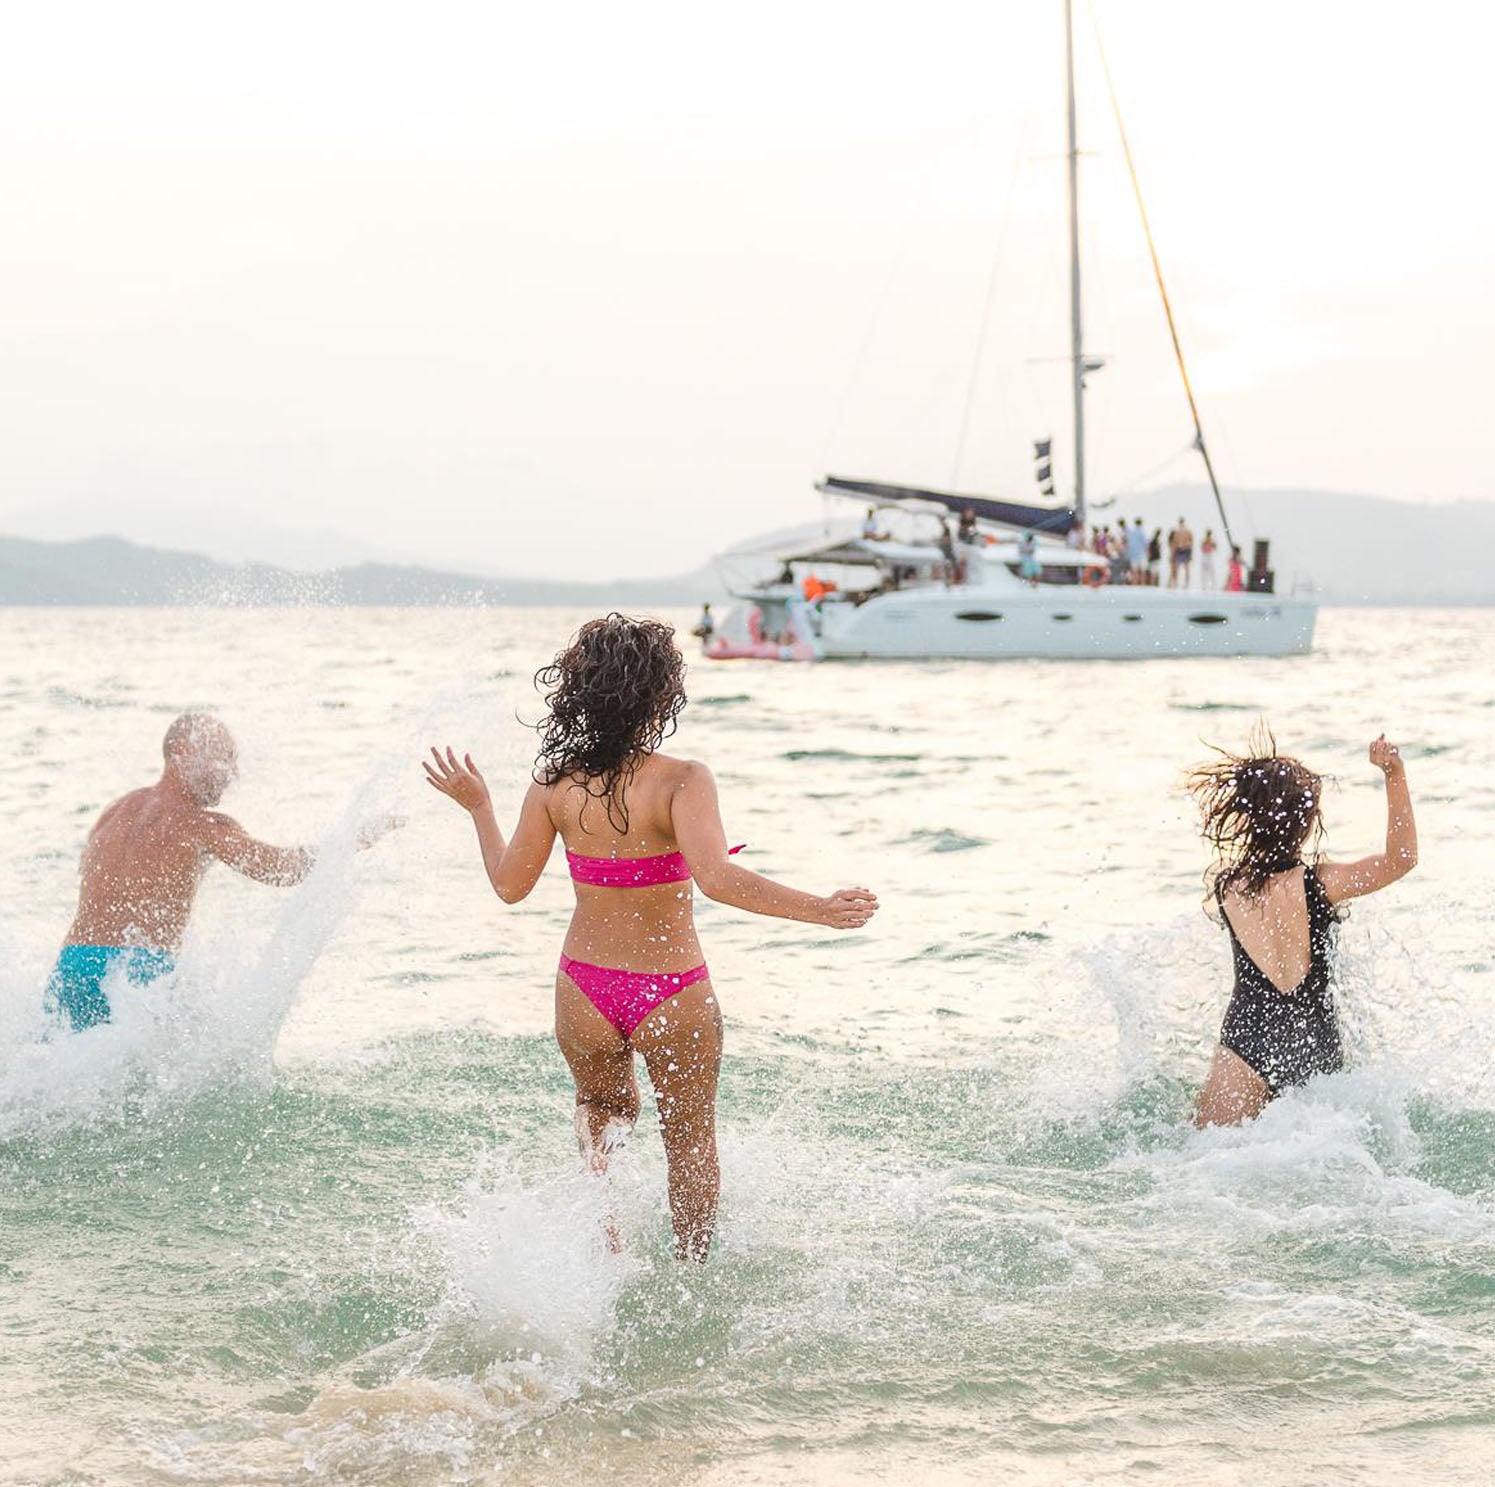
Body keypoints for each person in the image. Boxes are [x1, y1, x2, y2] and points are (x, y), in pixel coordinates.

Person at [423, 615, 877, 1261]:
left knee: (600, 1121)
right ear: (660, 696)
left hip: (582, 987)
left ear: (578, 691)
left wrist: (478, 807)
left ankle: (602, 1257)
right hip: (673, 992)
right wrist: (821, 910)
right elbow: (717, 878)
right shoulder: (682, 779)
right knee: (688, 1138)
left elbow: (507, 886)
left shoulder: (552, 785)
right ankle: (690, 1273)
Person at [1189, 732, 1417, 1127]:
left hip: (1244, 1046)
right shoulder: (1323, 883)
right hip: (1312, 1046)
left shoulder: (1228, 888)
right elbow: (1401, 859)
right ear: (1307, 824)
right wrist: (1393, 773)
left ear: (1248, 818)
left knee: (1200, 1160)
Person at [47, 714, 320, 1032]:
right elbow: (281, 870)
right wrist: (350, 841)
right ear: (180, 752)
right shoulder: (201, 825)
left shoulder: (114, 812)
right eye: (222, 758)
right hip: (141, 971)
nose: (231, 773)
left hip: (74, 965)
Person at [1127, 517, 1149, 585]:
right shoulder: (1142, 532)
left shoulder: (1131, 532)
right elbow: (1146, 544)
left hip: (1133, 554)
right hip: (1141, 554)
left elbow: (1129, 544)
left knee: (1134, 570)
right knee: (1143, 571)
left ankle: (1134, 583)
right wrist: (1147, 553)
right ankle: (1142, 583)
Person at [1175, 517, 1194, 589]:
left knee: (1185, 568)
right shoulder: (1179, 531)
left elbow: (1191, 542)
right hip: (1181, 550)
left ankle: (1185, 583)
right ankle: (1180, 583)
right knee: (1181, 568)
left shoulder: (1185, 531)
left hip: (1184, 550)